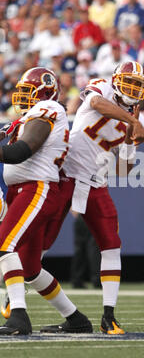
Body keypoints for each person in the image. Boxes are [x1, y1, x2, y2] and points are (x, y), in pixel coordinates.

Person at [33, 61, 144, 335]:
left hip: (96, 181)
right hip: (65, 173)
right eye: (128, 82)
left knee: (111, 245)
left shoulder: (141, 121)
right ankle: (12, 297)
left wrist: (132, 142)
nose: (132, 89)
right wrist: (131, 120)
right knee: (42, 242)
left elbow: (124, 170)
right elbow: (96, 103)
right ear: (116, 80)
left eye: (137, 85)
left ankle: (109, 315)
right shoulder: (102, 87)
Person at [0, 66, 92, 335]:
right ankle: (75, 318)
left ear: (44, 92)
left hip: (37, 188)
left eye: (28, 91)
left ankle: (18, 316)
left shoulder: (48, 110)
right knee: (29, 268)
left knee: (4, 244)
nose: (22, 97)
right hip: (24, 189)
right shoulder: (30, 116)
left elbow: (20, 151)